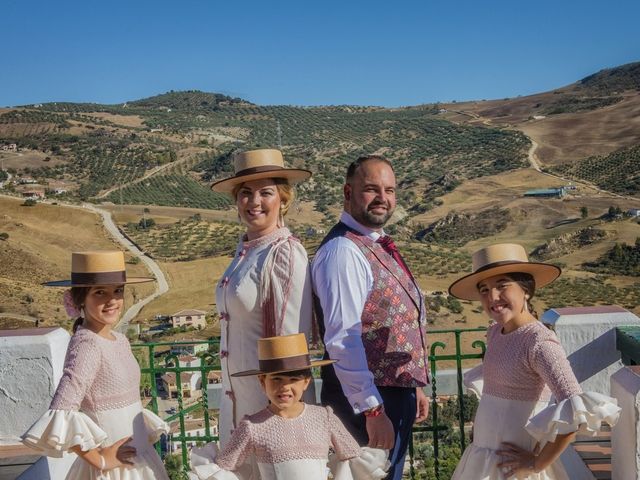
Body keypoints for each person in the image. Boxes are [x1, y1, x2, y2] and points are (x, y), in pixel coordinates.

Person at [448, 243, 621, 479]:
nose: (493, 297)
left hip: (512, 468)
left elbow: (575, 409)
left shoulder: (539, 342)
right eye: (484, 289)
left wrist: (536, 464)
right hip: (482, 457)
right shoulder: (495, 332)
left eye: (502, 286)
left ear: (526, 290)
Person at [311, 154, 430, 480]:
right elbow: (343, 339)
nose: (383, 198)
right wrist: (373, 409)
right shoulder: (343, 252)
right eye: (371, 189)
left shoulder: (371, 243)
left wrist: (412, 384)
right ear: (348, 193)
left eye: (389, 190)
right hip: (365, 402)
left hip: (390, 392)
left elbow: (388, 321)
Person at [22, 250, 170, 479]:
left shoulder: (119, 340)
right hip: (116, 471)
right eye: (100, 292)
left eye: (117, 290)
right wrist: (99, 459)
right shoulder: (87, 345)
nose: (112, 300)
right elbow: (62, 411)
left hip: (139, 462)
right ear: (80, 299)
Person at [210, 149, 316, 451]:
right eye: (245, 193)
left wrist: (279, 410)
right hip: (238, 404)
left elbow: (290, 340)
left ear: (283, 199)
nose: (254, 202)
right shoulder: (244, 251)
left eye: (265, 192)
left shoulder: (284, 253)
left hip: (270, 407)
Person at [188, 333, 389, 480]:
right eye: (276, 379)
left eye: (293, 379)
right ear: (262, 381)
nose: (284, 387)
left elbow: (353, 457)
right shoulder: (252, 426)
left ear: (306, 382)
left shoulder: (324, 418)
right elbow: (224, 467)